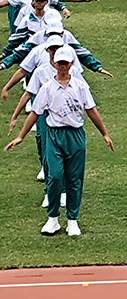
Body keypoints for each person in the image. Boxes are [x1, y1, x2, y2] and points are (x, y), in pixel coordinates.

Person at [5, 45, 113, 236]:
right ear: (55, 64)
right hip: (54, 135)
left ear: (71, 64)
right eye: (59, 63)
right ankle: (53, 218)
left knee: (74, 179)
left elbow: (91, 110)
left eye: (65, 63)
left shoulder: (80, 86)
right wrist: (21, 136)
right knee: (54, 176)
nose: (62, 66)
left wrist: (104, 133)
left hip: (75, 135)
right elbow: (35, 113)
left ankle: (72, 220)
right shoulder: (47, 88)